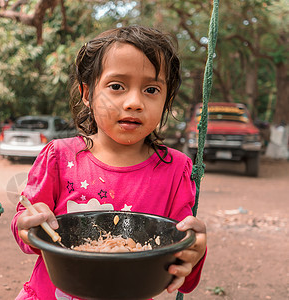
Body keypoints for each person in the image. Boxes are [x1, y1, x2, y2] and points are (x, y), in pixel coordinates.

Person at [11, 25, 207, 300]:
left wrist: (194, 252)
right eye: (117, 86)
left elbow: (180, 270)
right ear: (87, 94)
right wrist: (26, 222)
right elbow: (27, 235)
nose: (134, 102)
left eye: (151, 89)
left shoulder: (175, 169)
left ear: (166, 100)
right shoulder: (58, 157)